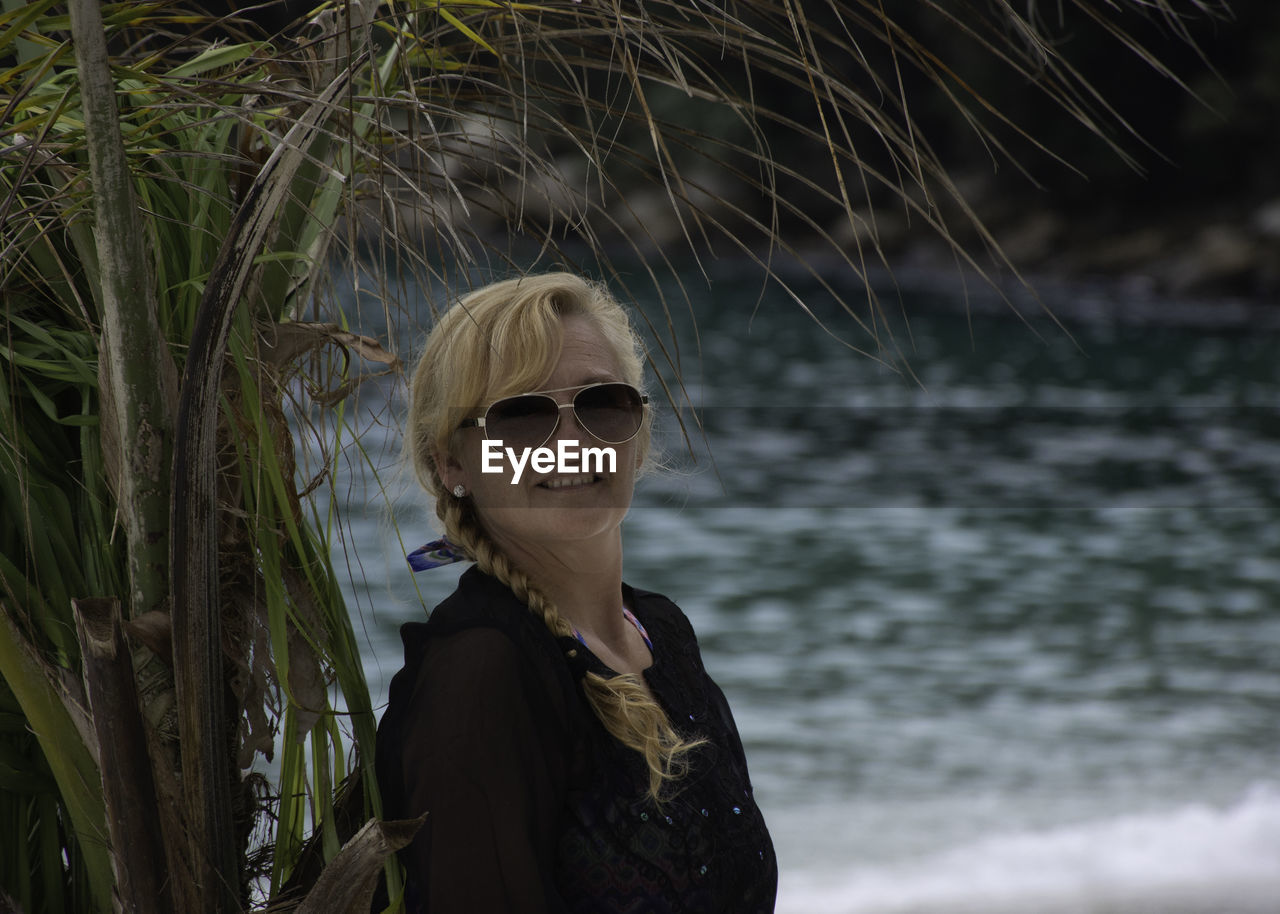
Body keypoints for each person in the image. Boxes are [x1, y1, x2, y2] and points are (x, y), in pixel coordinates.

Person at [376, 272, 777, 913]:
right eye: (521, 414)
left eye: (602, 405)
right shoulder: (480, 673)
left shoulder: (661, 632)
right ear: (452, 461)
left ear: (639, 434)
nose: (571, 441)